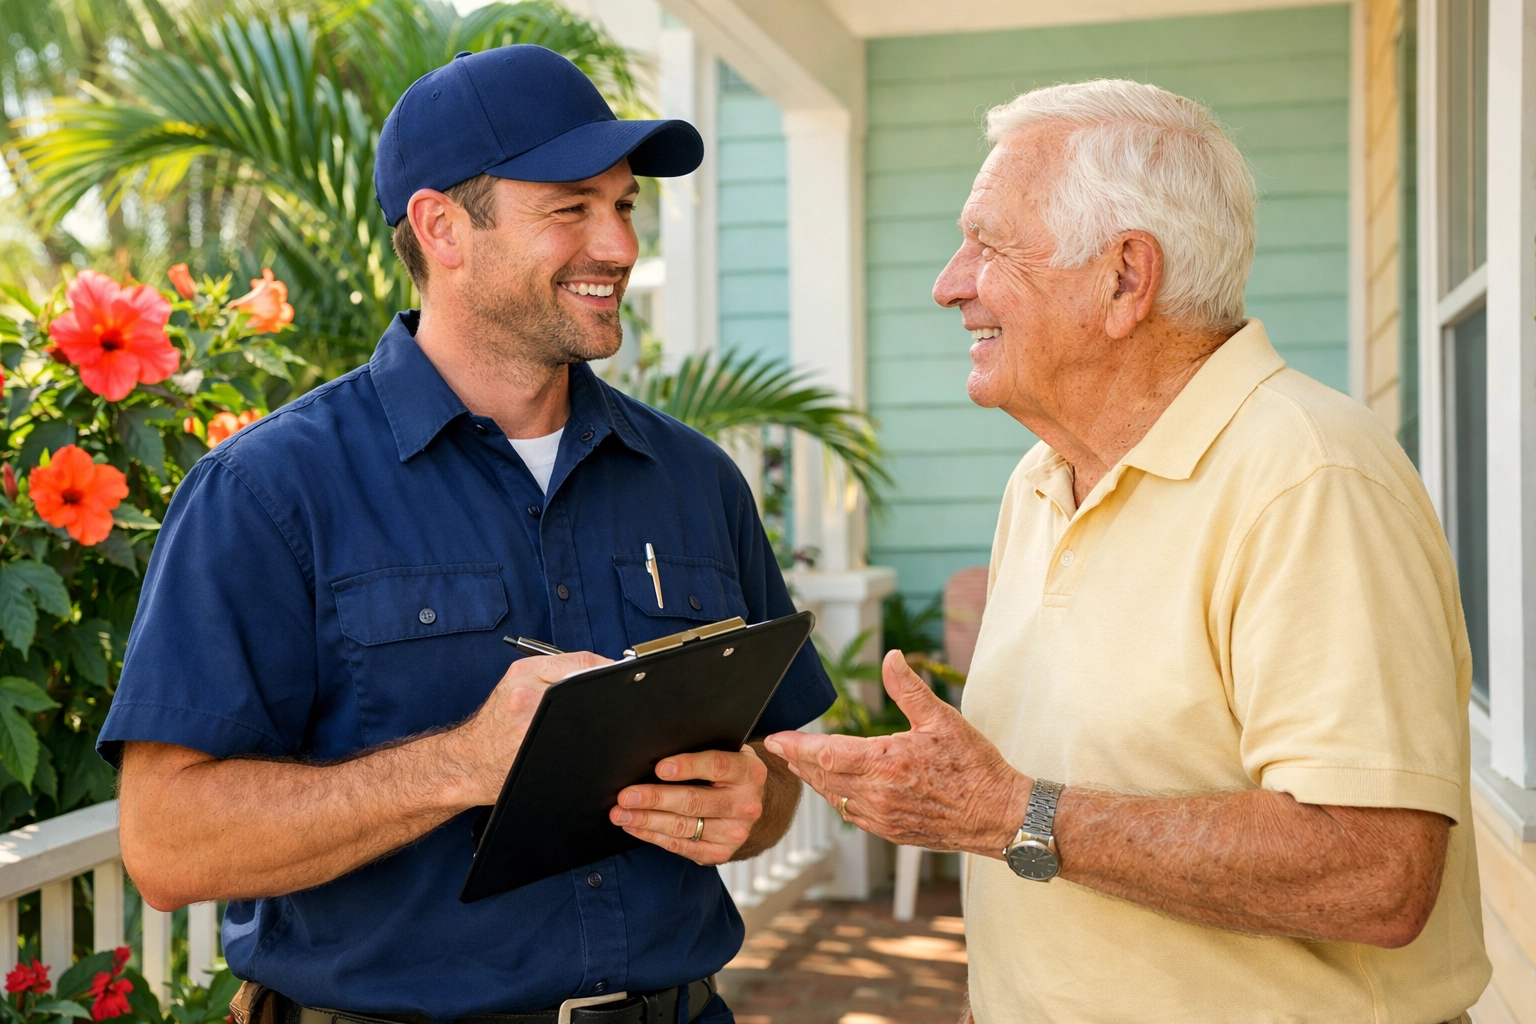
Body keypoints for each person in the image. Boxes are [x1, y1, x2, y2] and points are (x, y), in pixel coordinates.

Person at [100, 45, 833, 1024]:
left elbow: (777, 763)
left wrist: (753, 800)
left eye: (623, 205)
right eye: (571, 208)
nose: (617, 245)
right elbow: (167, 845)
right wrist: (465, 762)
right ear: (442, 226)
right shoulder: (267, 491)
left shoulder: (697, 480)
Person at [766, 79, 1490, 1023]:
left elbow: (1375, 870)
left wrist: (1010, 814)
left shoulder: (1308, 477)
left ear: (1123, 280)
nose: (950, 283)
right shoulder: (1040, 478)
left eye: (988, 244)